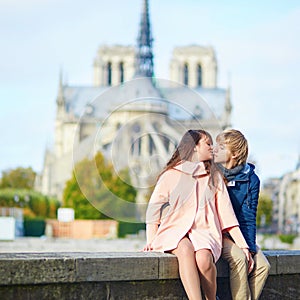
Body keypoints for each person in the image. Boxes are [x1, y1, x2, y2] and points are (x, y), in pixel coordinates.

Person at [144, 129, 251, 300]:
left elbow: (227, 215)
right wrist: (150, 240)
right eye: (207, 143)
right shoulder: (171, 174)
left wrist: (243, 246)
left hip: (205, 232)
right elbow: (153, 211)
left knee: (203, 258)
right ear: (194, 147)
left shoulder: (214, 176)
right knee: (185, 249)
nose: (212, 148)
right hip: (174, 231)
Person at [214, 129, 270, 300]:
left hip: (238, 234)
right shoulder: (211, 172)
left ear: (235, 153)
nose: (215, 150)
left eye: (221, 147)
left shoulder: (251, 180)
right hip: (217, 231)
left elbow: (248, 217)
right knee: (239, 258)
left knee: (263, 266)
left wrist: (250, 248)